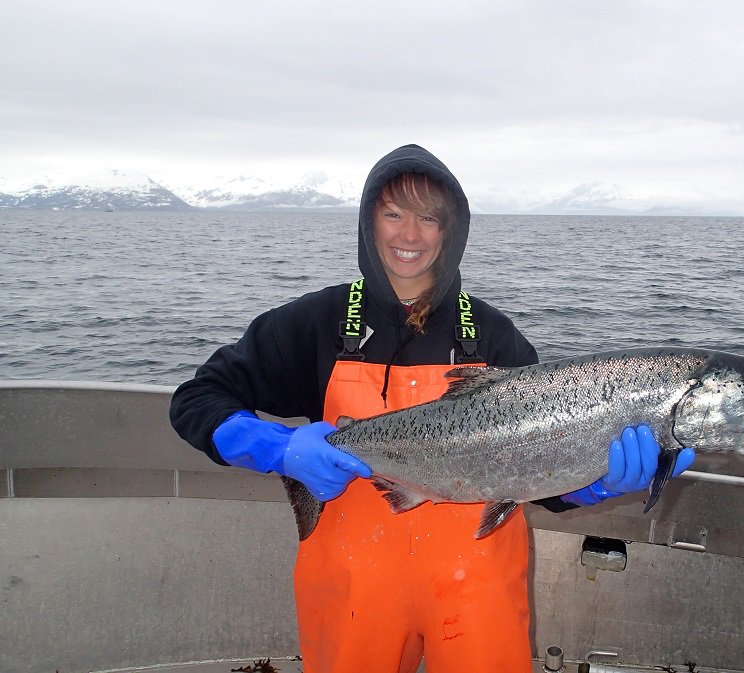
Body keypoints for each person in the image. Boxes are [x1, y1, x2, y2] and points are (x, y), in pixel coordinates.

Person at [169, 144, 694, 673]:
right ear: (368, 220)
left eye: (428, 218)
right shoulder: (314, 324)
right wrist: (280, 449)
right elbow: (197, 400)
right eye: (393, 213)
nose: (409, 235)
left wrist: (597, 478)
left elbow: (537, 480)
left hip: (475, 591)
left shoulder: (494, 336)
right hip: (354, 588)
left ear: (450, 231)